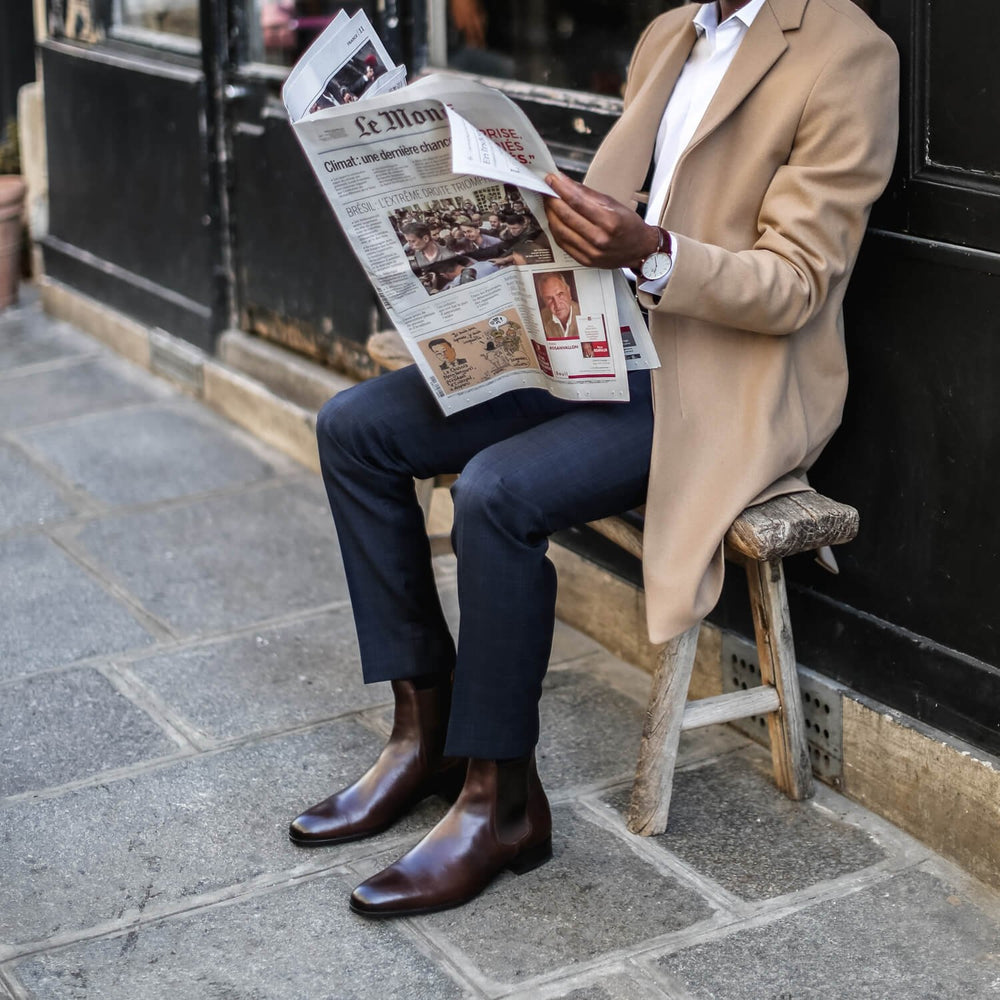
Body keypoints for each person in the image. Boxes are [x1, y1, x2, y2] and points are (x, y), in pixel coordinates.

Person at [289, 0, 899, 918]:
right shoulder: (672, 33)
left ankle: (500, 803)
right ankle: (428, 735)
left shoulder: (850, 52)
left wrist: (650, 252)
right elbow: (632, 192)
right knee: (356, 428)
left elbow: (800, 282)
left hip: (716, 379)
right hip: (593, 337)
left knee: (498, 492)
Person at [537, 272, 581, 339]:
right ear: (544, 301)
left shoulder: (584, 312)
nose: (557, 304)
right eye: (549, 298)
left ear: (568, 292)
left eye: (560, 294)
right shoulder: (540, 318)